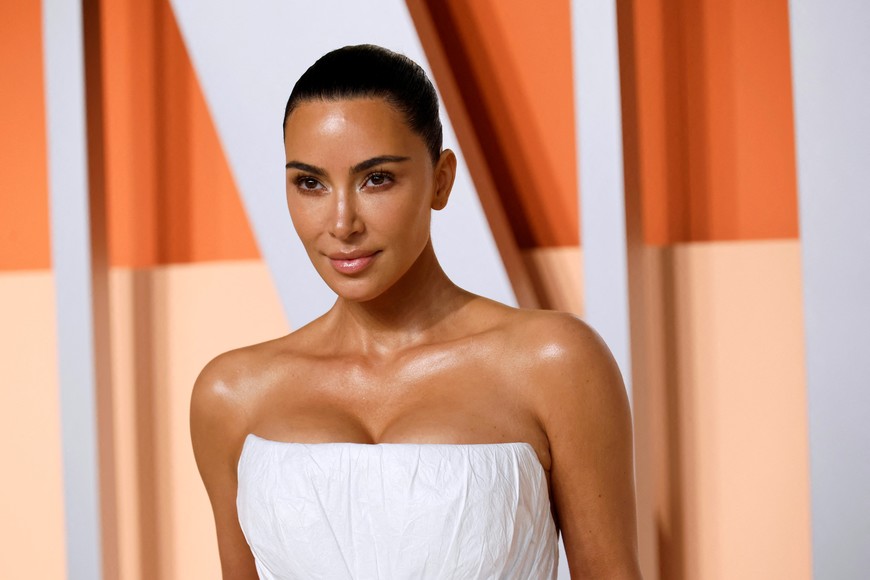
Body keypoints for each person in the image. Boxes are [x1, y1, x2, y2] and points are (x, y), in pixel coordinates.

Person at [191, 44, 641, 579]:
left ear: (442, 180)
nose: (341, 223)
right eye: (309, 183)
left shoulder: (554, 364)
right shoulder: (230, 395)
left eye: (376, 178)